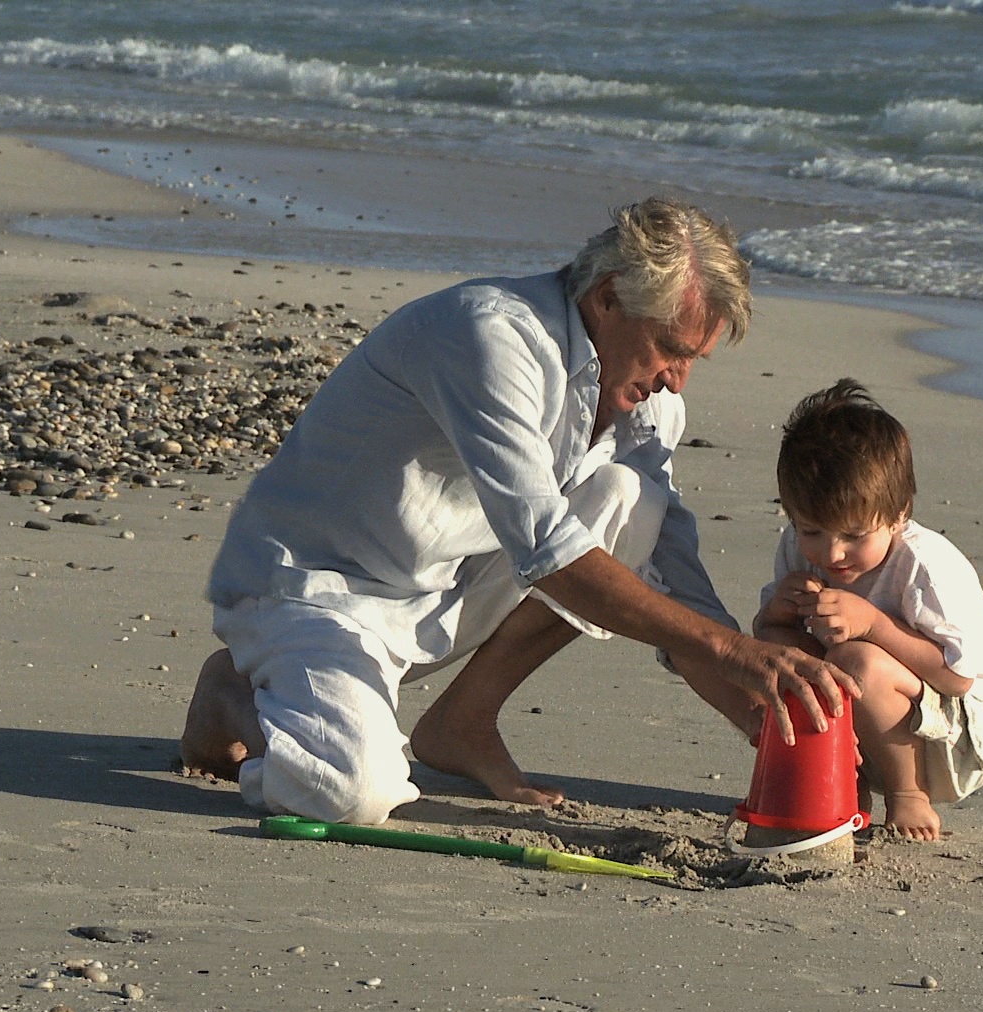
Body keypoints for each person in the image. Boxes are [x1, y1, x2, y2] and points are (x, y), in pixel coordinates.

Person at [180, 197, 856, 825]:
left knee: (630, 498)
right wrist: (734, 650)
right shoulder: (491, 336)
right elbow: (546, 548)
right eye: (672, 351)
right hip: (317, 592)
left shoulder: (651, 403)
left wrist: (768, 726)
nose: (678, 380)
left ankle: (463, 720)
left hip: (442, 587)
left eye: (694, 360)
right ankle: (237, 697)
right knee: (356, 793)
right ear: (610, 297)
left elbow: (672, 574)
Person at [754, 379, 983, 841]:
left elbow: (957, 677)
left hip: (964, 732)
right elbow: (767, 639)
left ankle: (908, 793)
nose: (832, 553)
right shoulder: (798, 548)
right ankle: (840, 782)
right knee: (783, 651)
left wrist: (874, 623)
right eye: (812, 530)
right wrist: (776, 615)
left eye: (855, 536)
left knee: (856, 659)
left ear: (899, 513)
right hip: (882, 719)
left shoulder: (923, 565)